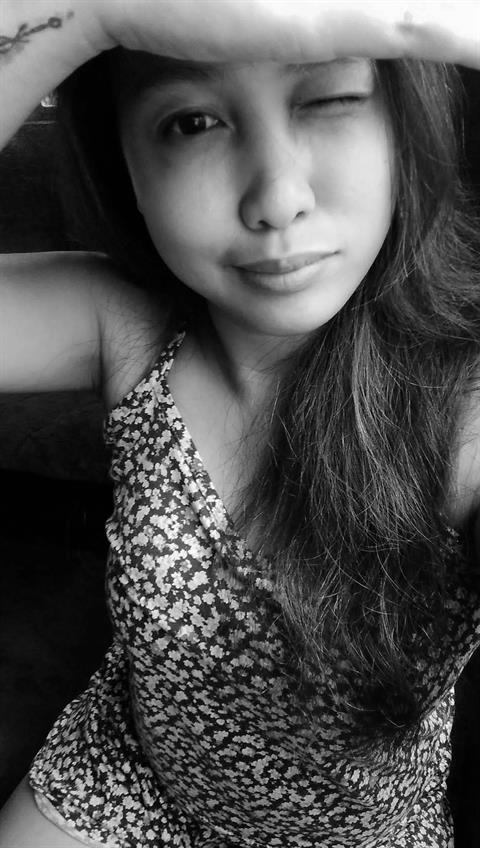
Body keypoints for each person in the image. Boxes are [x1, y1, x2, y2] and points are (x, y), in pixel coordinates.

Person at [0, 1, 479, 845]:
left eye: (330, 98)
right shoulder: (128, 327)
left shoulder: (463, 403)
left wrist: (432, 23)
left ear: (408, 125)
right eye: (192, 121)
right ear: (124, 162)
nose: (278, 199)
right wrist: (78, 19)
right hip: (127, 780)